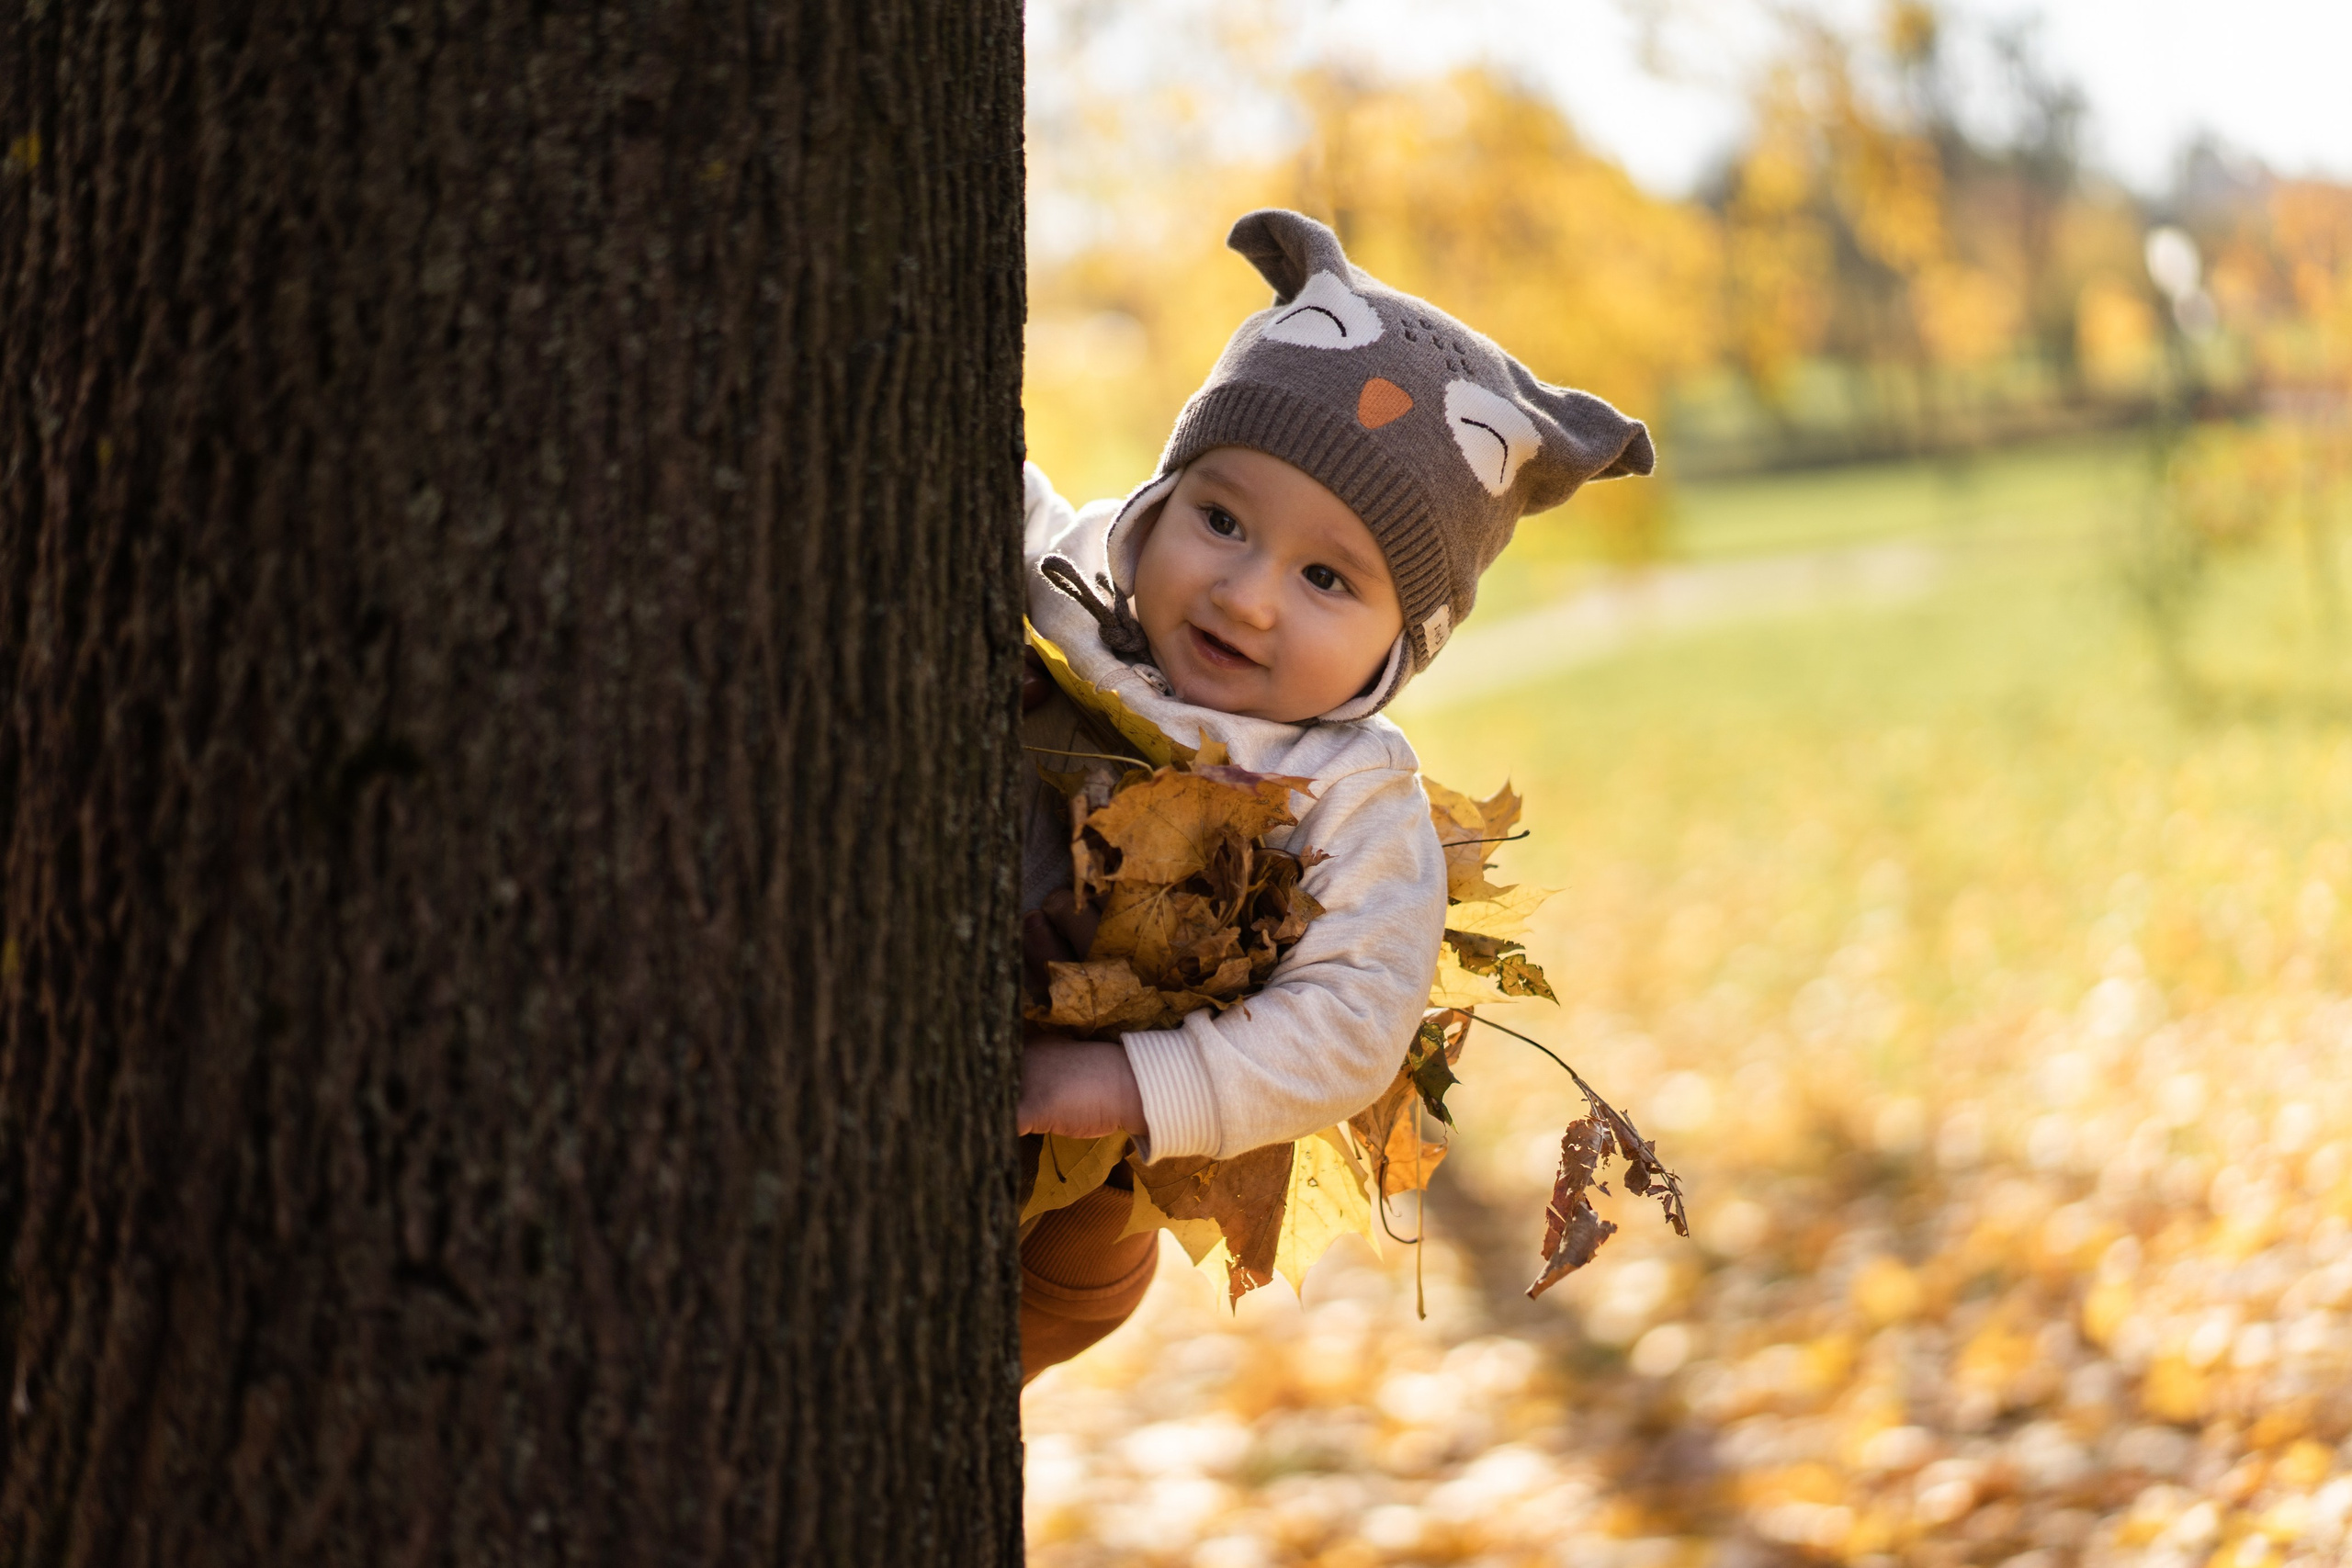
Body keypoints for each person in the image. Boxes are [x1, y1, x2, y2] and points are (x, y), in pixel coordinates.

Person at [1014, 208, 1655, 1382]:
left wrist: (1118, 1086)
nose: (1246, 596)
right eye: (1218, 519)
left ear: (1398, 648)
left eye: (1323, 577)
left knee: (1085, 1280)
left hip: (1094, 1149)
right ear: (1161, 501)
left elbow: (1352, 1022)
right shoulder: (1068, 583)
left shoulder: (1351, 793)